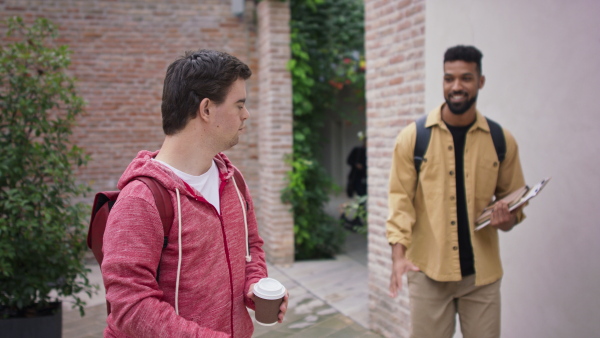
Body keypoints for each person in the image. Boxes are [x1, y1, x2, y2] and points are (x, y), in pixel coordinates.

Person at [101, 49, 288, 337]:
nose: (246, 114)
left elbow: (251, 248)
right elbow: (130, 306)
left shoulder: (232, 180)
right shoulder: (142, 199)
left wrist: (255, 285)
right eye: (239, 105)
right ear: (206, 110)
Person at [386, 45, 526, 338]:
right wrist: (398, 257)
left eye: (466, 78)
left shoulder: (502, 140)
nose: (456, 86)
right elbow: (400, 203)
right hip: (427, 272)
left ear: (481, 81)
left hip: (482, 276)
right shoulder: (413, 138)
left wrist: (507, 220)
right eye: (449, 78)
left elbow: (514, 203)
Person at [345, 131, 367, 198]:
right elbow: (349, 161)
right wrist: (356, 164)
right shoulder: (357, 150)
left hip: (366, 177)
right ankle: (361, 207)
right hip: (357, 176)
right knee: (361, 194)